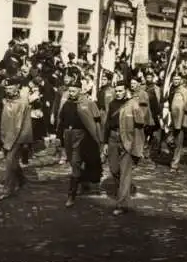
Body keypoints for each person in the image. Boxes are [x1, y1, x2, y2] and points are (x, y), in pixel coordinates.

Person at [102, 80, 146, 215]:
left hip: (127, 140)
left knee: (125, 172)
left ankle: (121, 204)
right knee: (114, 169)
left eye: (121, 90)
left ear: (126, 90)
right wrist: (105, 143)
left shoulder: (132, 104)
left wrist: (137, 145)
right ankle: (125, 193)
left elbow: (141, 123)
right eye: (117, 91)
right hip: (113, 138)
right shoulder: (112, 104)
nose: (118, 93)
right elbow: (107, 125)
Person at [57, 77, 103, 207]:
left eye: (73, 91)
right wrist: (59, 136)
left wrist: (99, 139)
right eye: (69, 91)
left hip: (82, 137)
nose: (70, 93)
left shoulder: (88, 103)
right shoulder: (67, 103)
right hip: (68, 136)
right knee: (73, 163)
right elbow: (61, 121)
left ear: (80, 90)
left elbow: (96, 122)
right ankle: (84, 183)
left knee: (76, 163)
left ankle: (71, 195)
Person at [0, 76, 34, 200]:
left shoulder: (23, 104)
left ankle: (8, 189)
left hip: (17, 137)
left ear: (17, 88)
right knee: (13, 163)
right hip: (5, 135)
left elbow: (27, 123)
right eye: (6, 88)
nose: (8, 91)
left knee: (10, 162)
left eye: (10, 88)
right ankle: (21, 180)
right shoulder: (3, 102)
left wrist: (25, 141)